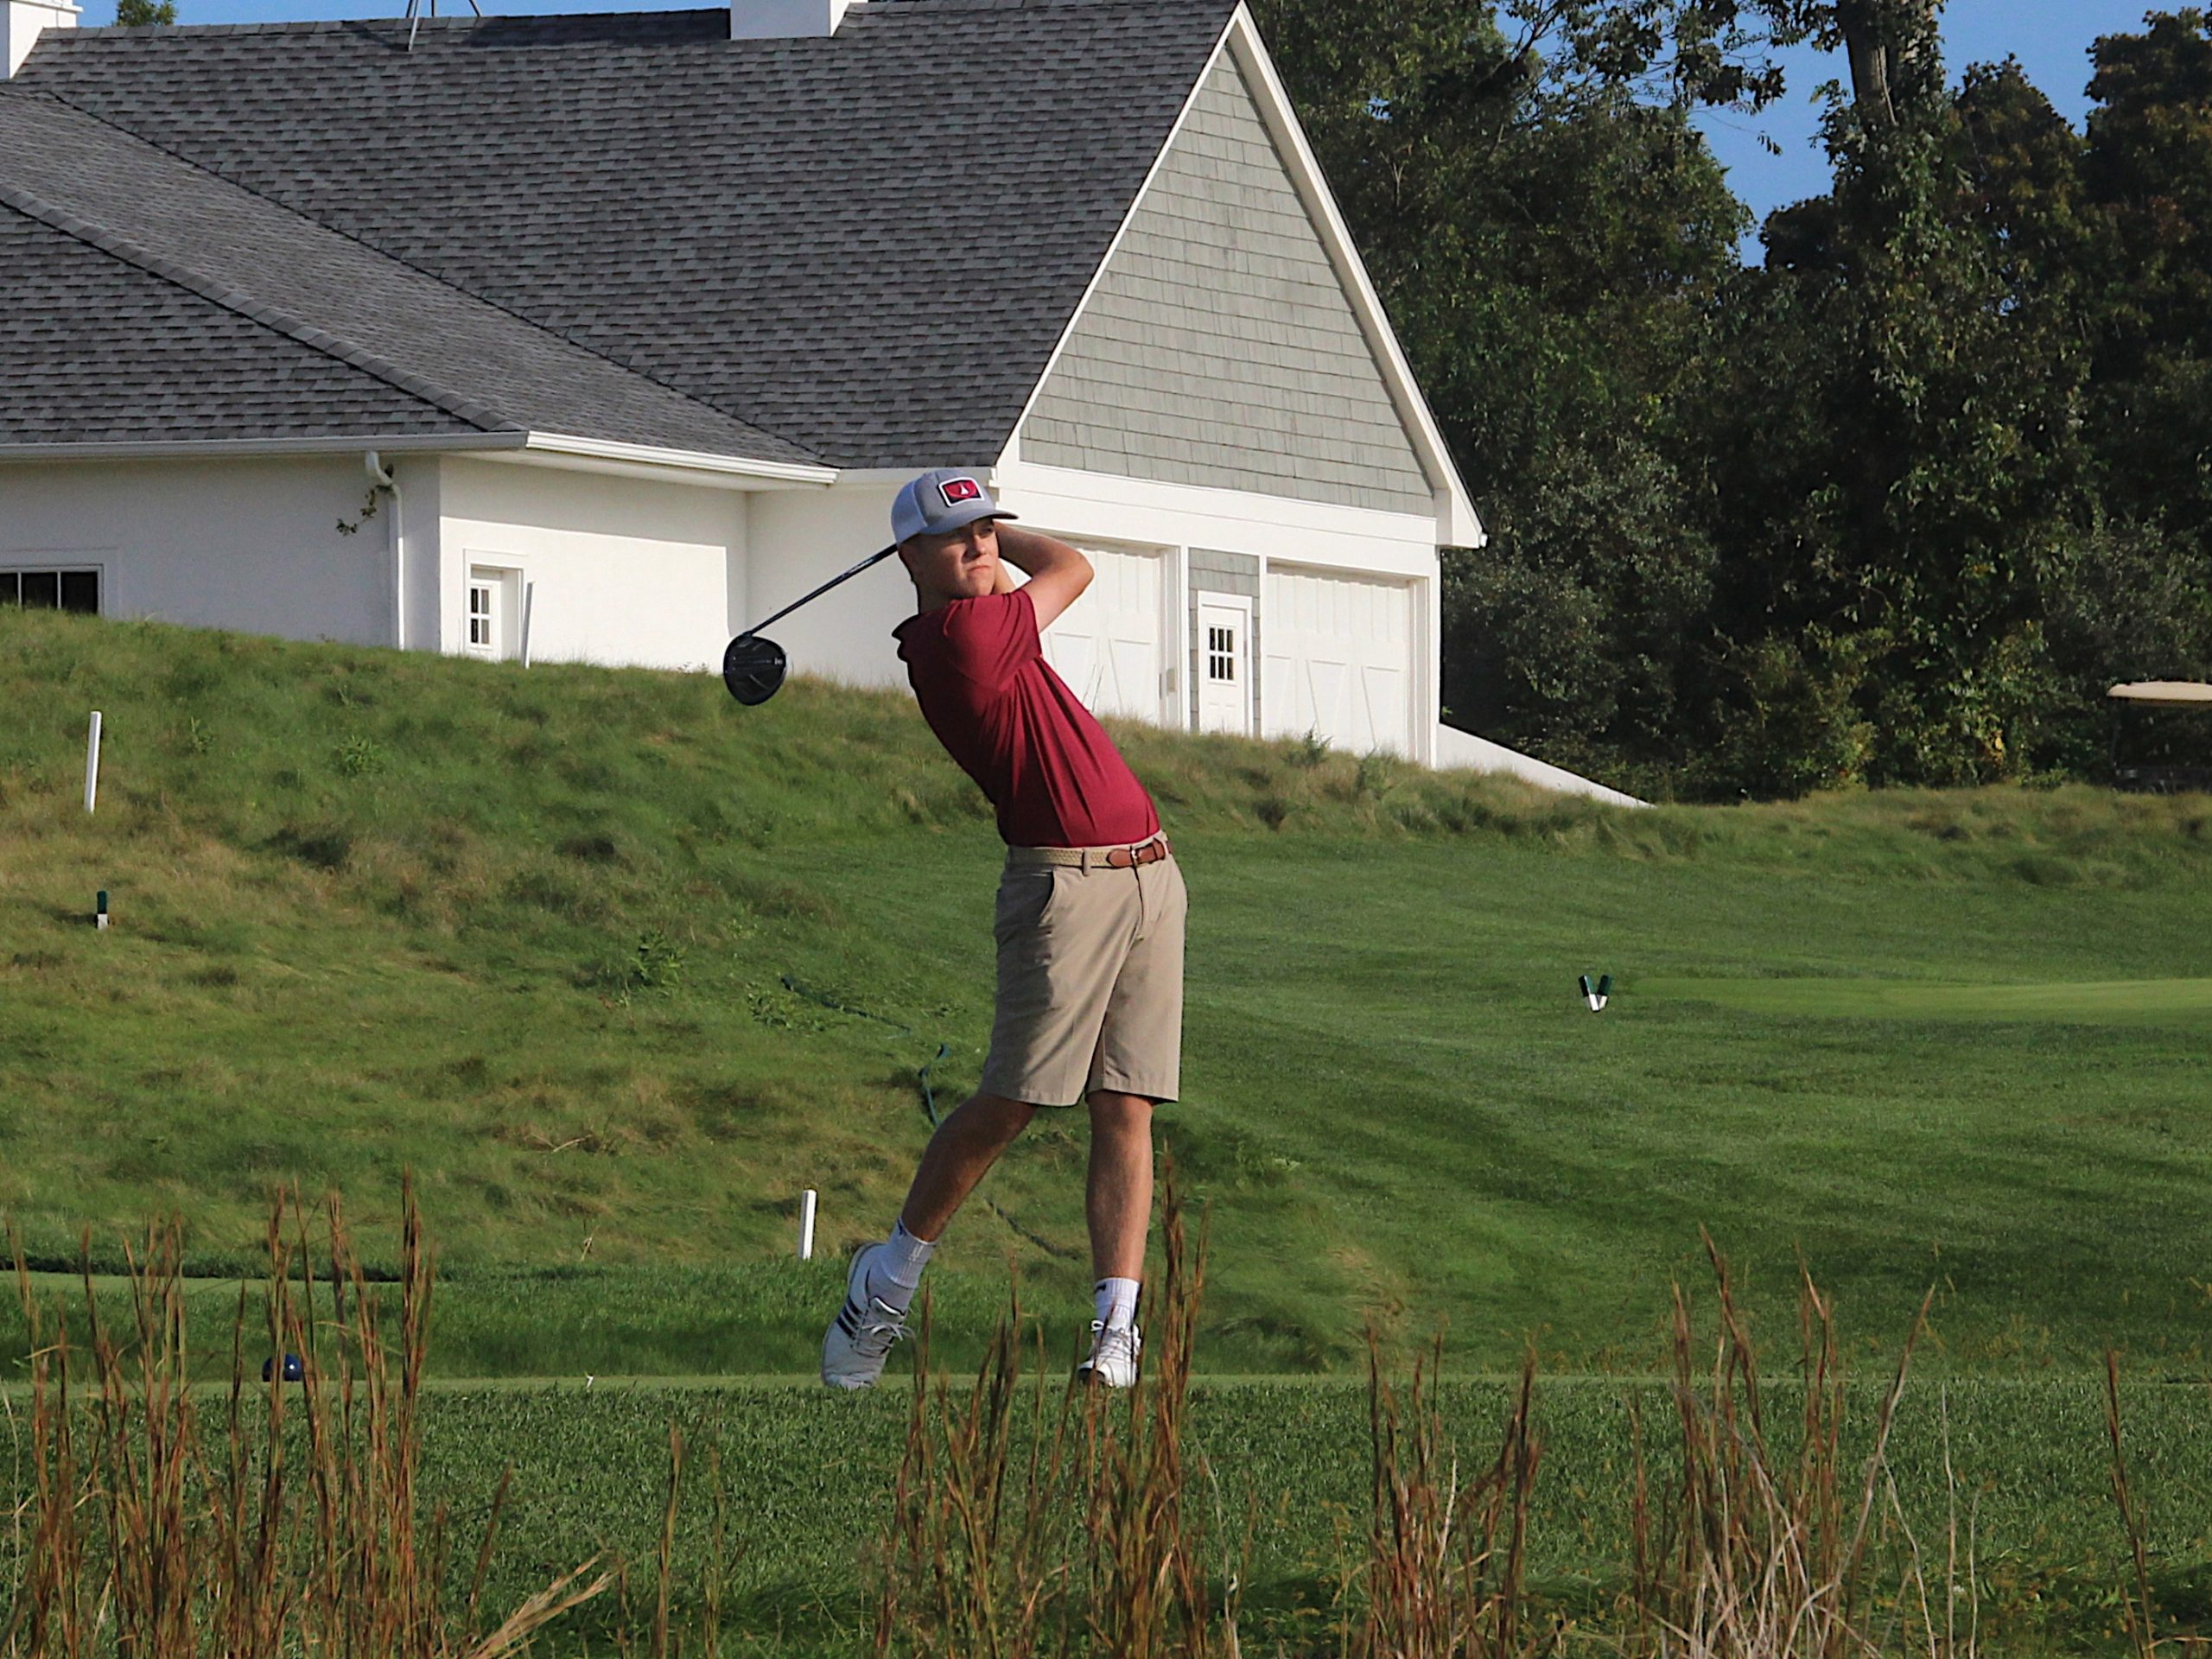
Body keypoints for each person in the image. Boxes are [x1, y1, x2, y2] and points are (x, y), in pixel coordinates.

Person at [822, 468, 1186, 1391]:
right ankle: (888, 1276)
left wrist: (972, 523)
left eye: (988, 532)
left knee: (1127, 1102)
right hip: (1062, 888)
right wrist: (1007, 545)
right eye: (958, 539)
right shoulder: (964, 635)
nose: (981, 547)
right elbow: (1071, 565)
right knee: (1013, 1100)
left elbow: (1034, 564)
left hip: (1148, 874)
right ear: (910, 558)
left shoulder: (977, 612)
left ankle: (1116, 1330)